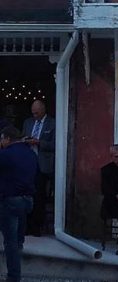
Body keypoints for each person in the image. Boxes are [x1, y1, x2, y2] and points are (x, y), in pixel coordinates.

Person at [0, 126, 37, 282]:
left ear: (7, 139)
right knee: (18, 239)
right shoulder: (31, 154)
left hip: (11, 200)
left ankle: (14, 277)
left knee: (10, 242)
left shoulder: (6, 154)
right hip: (27, 200)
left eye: (1, 139)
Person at [21, 100, 55, 237]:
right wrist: (25, 140)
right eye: (33, 112)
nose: (34, 115)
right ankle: (27, 226)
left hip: (43, 165)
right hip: (28, 163)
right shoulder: (28, 122)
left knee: (39, 196)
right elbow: (21, 137)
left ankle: (37, 227)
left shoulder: (52, 123)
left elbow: (56, 144)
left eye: (37, 112)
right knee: (26, 195)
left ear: (43, 110)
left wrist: (39, 142)